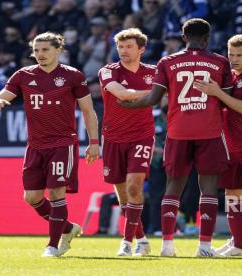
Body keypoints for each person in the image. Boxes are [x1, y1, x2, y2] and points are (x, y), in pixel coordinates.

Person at [121, 18, 233, 257]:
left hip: (178, 131)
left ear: (183, 38)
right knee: (208, 188)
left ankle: (167, 245)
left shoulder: (168, 62)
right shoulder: (220, 62)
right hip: (209, 131)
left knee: (173, 187)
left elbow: (152, 99)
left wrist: (129, 105)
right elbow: (228, 100)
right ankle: (204, 246)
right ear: (207, 39)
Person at [0, 32, 99, 257]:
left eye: (45, 50)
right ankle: (67, 228)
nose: (40, 54)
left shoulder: (73, 76)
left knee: (57, 191)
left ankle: (53, 245)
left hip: (63, 143)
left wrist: (94, 142)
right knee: (32, 197)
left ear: (59, 51)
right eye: (36, 50)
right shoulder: (23, 75)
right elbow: (1, 96)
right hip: (35, 145)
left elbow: (88, 111)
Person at [193, 34, 242, 257]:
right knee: (233, 195)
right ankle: (239, 246)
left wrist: (217, 92)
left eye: (239, 55)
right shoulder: (228, 77)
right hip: (229, 145)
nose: (234, 59)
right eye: (231, 54)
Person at [97, 28, 155, 257]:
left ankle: (127, 242)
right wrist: (154, 93)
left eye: (129, 46)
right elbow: (121, 94)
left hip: (141, 135)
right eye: (120, 46)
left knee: (134, 186)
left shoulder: (153, 71)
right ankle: (142, 238)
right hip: (112, 137)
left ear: (141, 49)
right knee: (122, 195)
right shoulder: (108, 71)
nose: (123, 51)